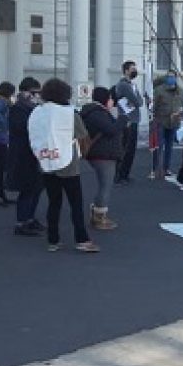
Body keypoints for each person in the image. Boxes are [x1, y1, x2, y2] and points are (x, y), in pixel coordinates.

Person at [30, 78, 100, 253]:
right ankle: (81, 239)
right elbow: (83, 137)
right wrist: (83, 152)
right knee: (75, 203)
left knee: (54, 202)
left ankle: (53, 240)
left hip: (46, 161)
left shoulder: (37, 113)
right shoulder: (69, 114)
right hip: (68, 163)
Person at [80, 87, 129, 229]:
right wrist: (123, 118)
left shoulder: (95, 112)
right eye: (110, 98)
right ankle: (99, 217)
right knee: (105, 185)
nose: (112, 101)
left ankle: (98, 213)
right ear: (105, 99)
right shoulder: (97, 113)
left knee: (105, 184)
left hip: (101, 152)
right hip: (102, 154)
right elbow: (112, 130)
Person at [9, 77, 46, 237]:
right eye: (33, 93)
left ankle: (30, 218)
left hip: (34, 153)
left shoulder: (32, 107)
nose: (35, 96)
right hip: (23, 154)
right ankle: (21, 222)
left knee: (36, 188)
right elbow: (24, 128)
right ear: (24, 92)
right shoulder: (19, 108)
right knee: (27, 189)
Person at [114, 60, 145, 184]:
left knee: (131, 149)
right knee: (125, 149)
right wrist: (136, 100)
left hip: (134, 119)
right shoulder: (123, 85)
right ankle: (119, 175)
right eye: (132, 69)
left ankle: (125, 174)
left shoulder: (133, 85)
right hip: (127, 121)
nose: (135, 71)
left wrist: (136, 100)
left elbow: (141, 101)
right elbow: (137, 102)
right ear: (126, 70)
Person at [152, 70, 183, 179]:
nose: (170, 78)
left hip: (174, 122)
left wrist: (181, 113)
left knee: (169, 147)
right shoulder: (159, 90)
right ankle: (156, 169)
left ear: (176, 78)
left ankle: (166, 168)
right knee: (159, 146)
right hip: (161, 121)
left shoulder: (180, 91)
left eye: (172, 76)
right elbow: (154, 106)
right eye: (169, 76)